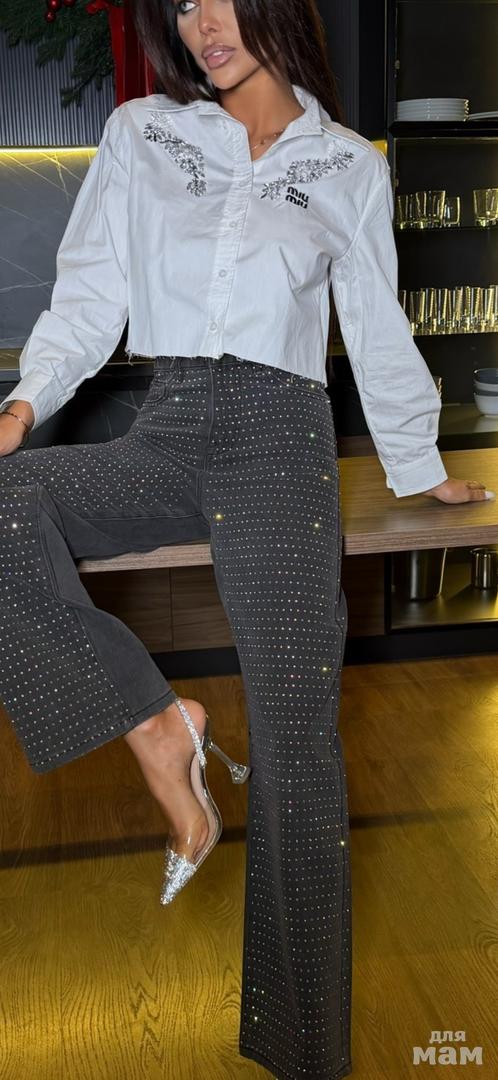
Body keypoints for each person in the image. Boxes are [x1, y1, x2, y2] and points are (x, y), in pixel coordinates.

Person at [0, 0, 493, 1077]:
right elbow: (91, 294)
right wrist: (25, 406)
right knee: (4, 500)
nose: (202, 22)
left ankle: (303, 1051)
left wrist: (419, 466)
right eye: (184, 3)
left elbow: (375, 320)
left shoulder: (347, 164)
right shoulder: (144, 133)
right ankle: (154, 721)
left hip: (281, 443)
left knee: (297, 749)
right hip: (167, 426)